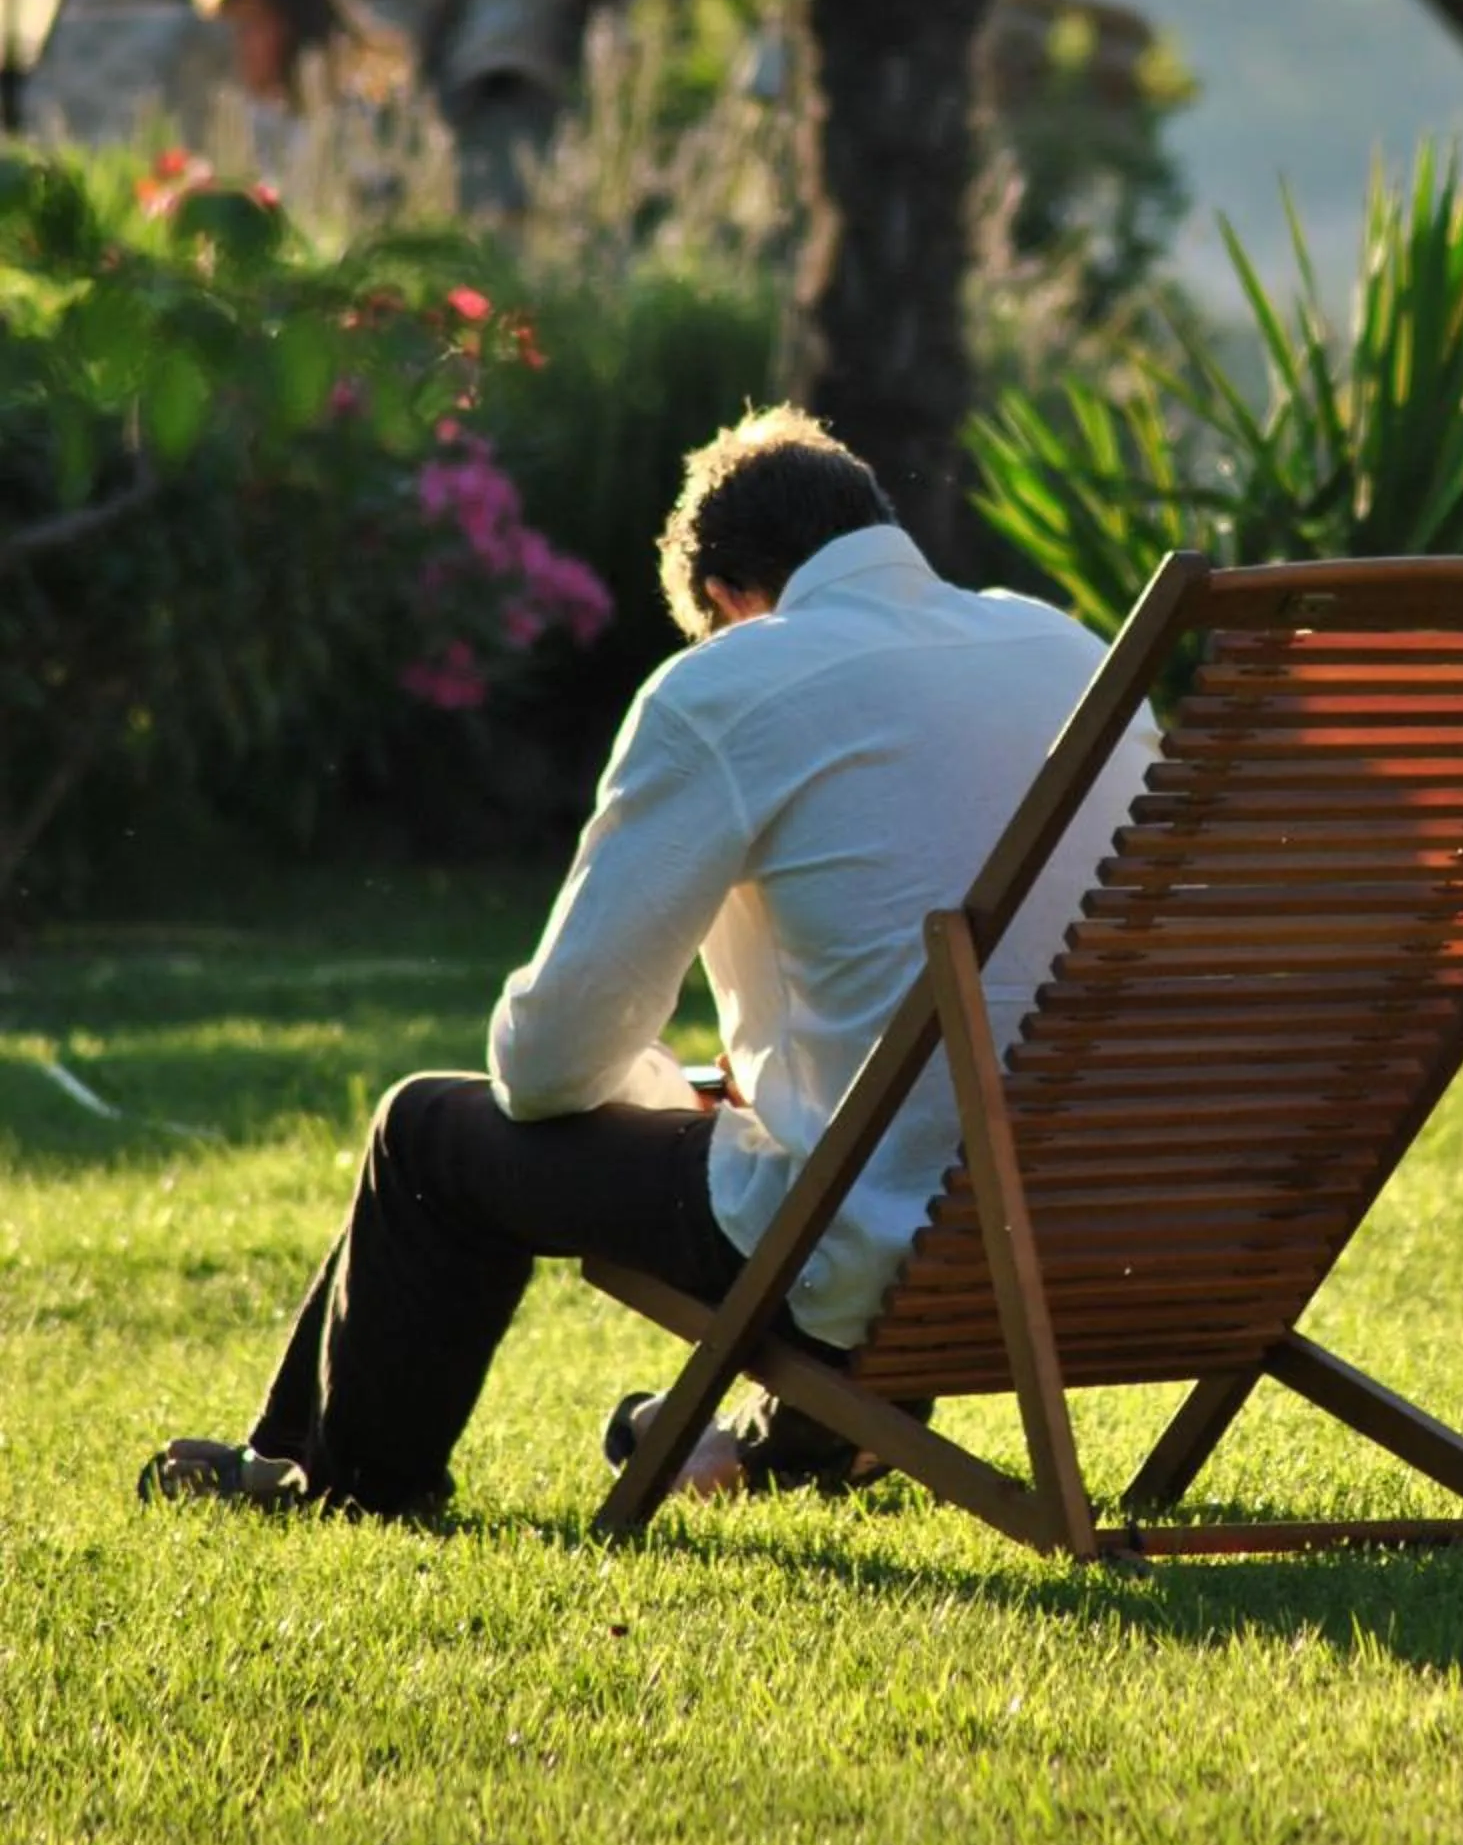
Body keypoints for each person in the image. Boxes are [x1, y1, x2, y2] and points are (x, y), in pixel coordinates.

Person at [138, 406, 1157, 1517]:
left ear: (726, 600)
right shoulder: (1063, 649)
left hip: (885, 1247)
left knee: (426, 1134)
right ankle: (804, 1439)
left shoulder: (735, 684)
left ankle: (344, 1482)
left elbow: (549, 1065)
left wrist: (658, 1087)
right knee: (833, 1140)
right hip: (1127, 1216)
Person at [192, 0, 410, 116]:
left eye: (250, 26)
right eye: (228, 25)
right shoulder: (218, 127)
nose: (234, 40)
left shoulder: (350, 130)